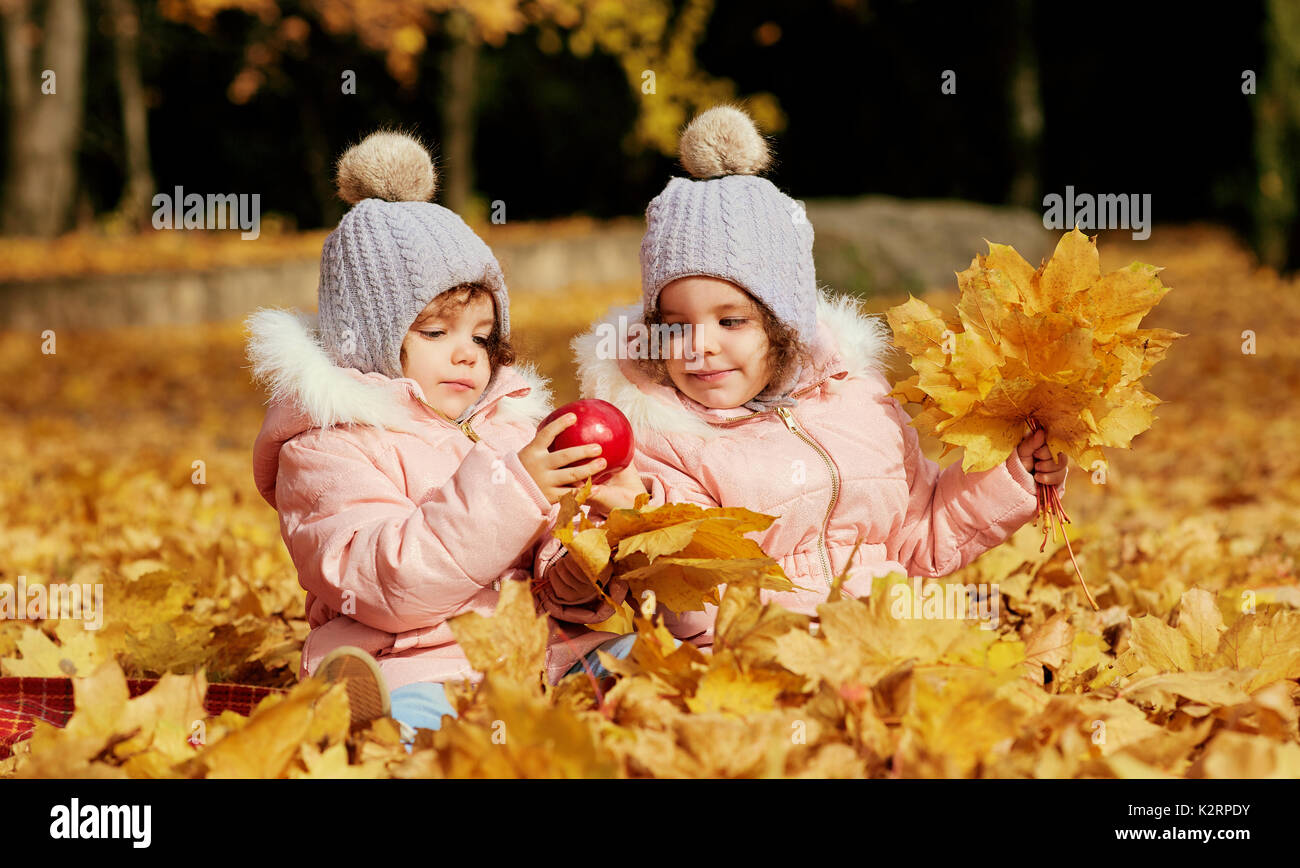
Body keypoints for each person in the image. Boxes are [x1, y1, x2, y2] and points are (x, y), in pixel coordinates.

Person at [543, 105, 1068, 646]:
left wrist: (1014, 477)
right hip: (757, 657)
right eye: (675, 326)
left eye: (731, 321)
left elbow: (919, 538)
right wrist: (631, 523)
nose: (700, 346)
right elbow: (690, 602)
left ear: (785, 324)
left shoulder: (858, 403)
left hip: (883, 641)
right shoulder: (661, 439)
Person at [246, 129, 631, 747]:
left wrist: (590, 547)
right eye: (435, 331)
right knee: (424, 724)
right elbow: (383, 579)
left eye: (481, 336)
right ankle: (366, 714)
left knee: (637, 663)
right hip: (420, 662)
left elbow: (547, 572)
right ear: (367, 339)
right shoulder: (328, 446)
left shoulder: (508, 424)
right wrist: (513, 489)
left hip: (534, 658)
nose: (467, 355)